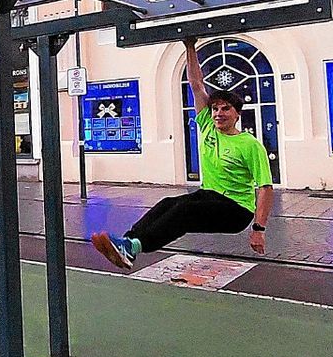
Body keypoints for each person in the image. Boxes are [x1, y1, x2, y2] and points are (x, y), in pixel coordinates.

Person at [90, 38, 274, 269]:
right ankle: (127, 243)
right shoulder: (208, 125)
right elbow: (197, 84)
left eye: (225, 109)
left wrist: (259, 229)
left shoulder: (250, 144)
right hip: (210, 195)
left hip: (236, 210)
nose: (218, 113)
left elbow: (266, 188)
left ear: (237, 114)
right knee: (168, 203)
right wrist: (189, 45)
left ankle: (133, 246)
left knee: (185, 211)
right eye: (215, 108)